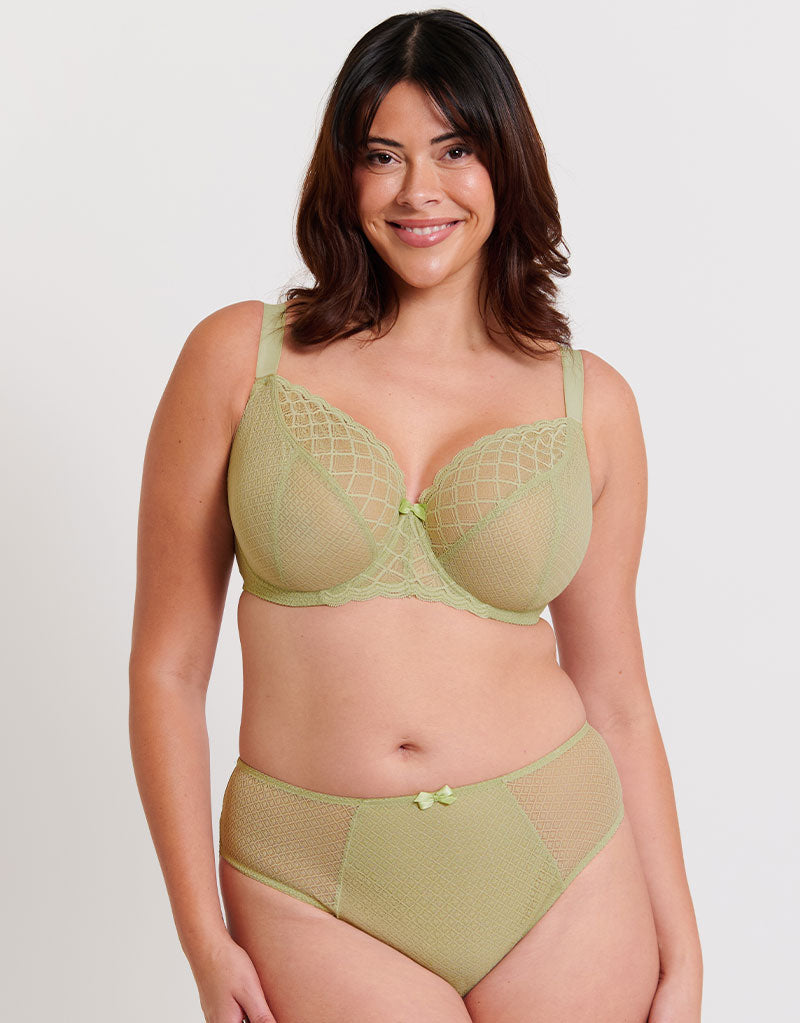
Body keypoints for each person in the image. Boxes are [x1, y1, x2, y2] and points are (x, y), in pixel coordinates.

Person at [129, 9, 703, 1023]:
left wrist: (683, 949)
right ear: (341, 174)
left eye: (454, 150)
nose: (417, 191)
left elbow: (616, 693)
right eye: (380, 155)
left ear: (505, 164)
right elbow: (168, 669)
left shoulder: (591, 405)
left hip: (563, 865)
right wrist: (200, 936)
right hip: (313, 883)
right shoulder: (239, 360)